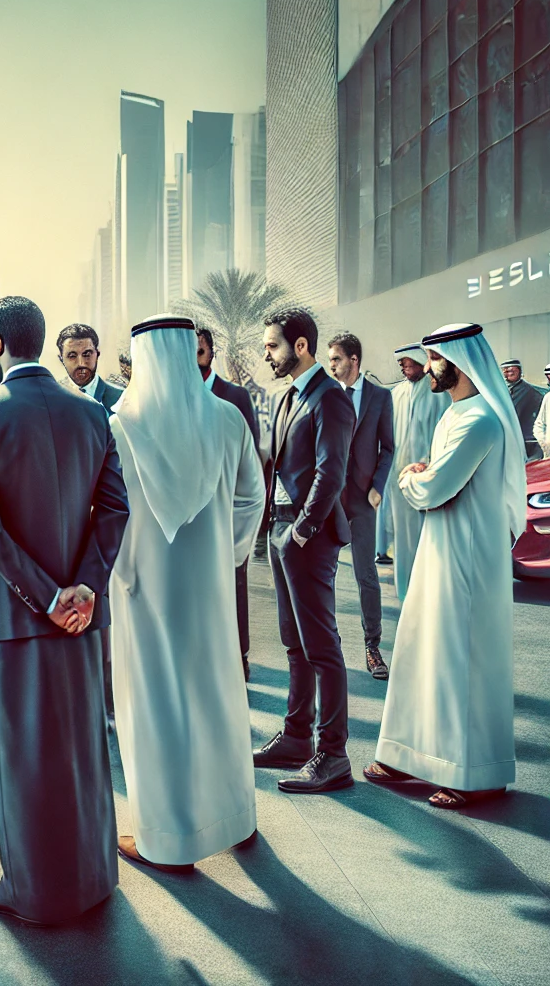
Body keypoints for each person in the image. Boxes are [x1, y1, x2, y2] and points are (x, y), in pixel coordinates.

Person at [0, 295, 129, 927]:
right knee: (83, 751)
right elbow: (115, 509)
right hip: (82, 620)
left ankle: (31, 893)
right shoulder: (92, 412)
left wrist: (47, 597)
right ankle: (93, 878)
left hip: (15, 617)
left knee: (23, 759)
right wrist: (82, 588)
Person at [109, 316, 266, 873]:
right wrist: (227, 556)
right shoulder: (227, 418)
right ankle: (234, 818)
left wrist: (122, 572)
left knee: (156, 706)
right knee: (218, 697)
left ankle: (167, 839)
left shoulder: (121, 425)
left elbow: (106, 514)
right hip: (211, 591)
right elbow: (253, 497)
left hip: (144, 591)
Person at [366, 322, 524, 809]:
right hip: (440, 548)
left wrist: (412, 479)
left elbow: (433, 486)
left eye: (435, 359)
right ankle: (408, 755)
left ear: (460, 363)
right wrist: (424, 476)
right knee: (421, 650)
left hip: (468, 558)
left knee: (462, 661)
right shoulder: (456, 413)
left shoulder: (481, 421)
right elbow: (435, 478)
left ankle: (476, 776)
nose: (429, 367)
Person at [251, 306, 357, 794]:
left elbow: (331, 472)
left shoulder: (331, 398)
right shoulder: (289, 396)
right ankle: (296, 737)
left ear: (300, 346)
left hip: (306, 537)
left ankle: (333, 755)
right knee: (294, 643)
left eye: (272, 346)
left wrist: (302, 531)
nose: (266, 355)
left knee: (321, 647)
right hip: (281, 530)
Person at [326, 333, 394, 680]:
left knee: (366, 575)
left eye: (336, 359)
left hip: (364, 499)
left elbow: (389, 448)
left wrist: (378, 487)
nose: (331, 365)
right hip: (329, 500)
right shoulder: (326, 394)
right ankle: (328, 646)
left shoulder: (380, 397)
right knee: (325, 574)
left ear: (354, 360)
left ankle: (373, 647)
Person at [197, 325, 262, 680]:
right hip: (194, 513)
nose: (195, 360)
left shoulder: (235, 396)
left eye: (200, 352)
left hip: (231, 509)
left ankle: (240, 655)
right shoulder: (178, 397)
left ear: (212, 352)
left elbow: (250, 459)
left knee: (236, 582)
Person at [386, 343, 449, 603]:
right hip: (399, 478)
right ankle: (406, 593)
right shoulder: (396, 394)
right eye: (400, 364)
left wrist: (430, 464)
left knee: (431, 537)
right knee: (403, 538)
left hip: (430, 477)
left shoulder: (438, 393)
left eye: (406, 363)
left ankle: (430, 595)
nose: (403, 367)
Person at [57, 322, 124, 410]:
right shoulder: (52, 397)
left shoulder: (120, 399)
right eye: (72, 356)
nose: (81, 363)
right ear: (61, 359)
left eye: (87, 354)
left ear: (97, 354)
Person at [500, 358, 545, 461]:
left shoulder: (531, 392)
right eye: (506, 371)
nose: (509, 374)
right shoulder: (500, 389)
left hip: (524, 439)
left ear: (519, 371)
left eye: (512, 371)